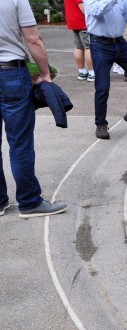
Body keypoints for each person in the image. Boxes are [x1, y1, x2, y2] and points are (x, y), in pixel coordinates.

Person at [0, 0, 68, 218]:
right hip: (11, 74)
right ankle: (29, 202)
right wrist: (45, 73)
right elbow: (33, 39)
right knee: (20, 143)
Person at [84, 0, 127, 140]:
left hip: (120, 42)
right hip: (100, 43)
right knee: (103, 87)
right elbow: (96, 12)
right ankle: (101, 124)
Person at [64, 0, 95, 82]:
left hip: (73, 22)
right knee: (88, 47)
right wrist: (93, 18)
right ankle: (92, 72)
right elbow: (82, 7)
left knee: (78, 47)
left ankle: (81, 71)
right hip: (83, 22)